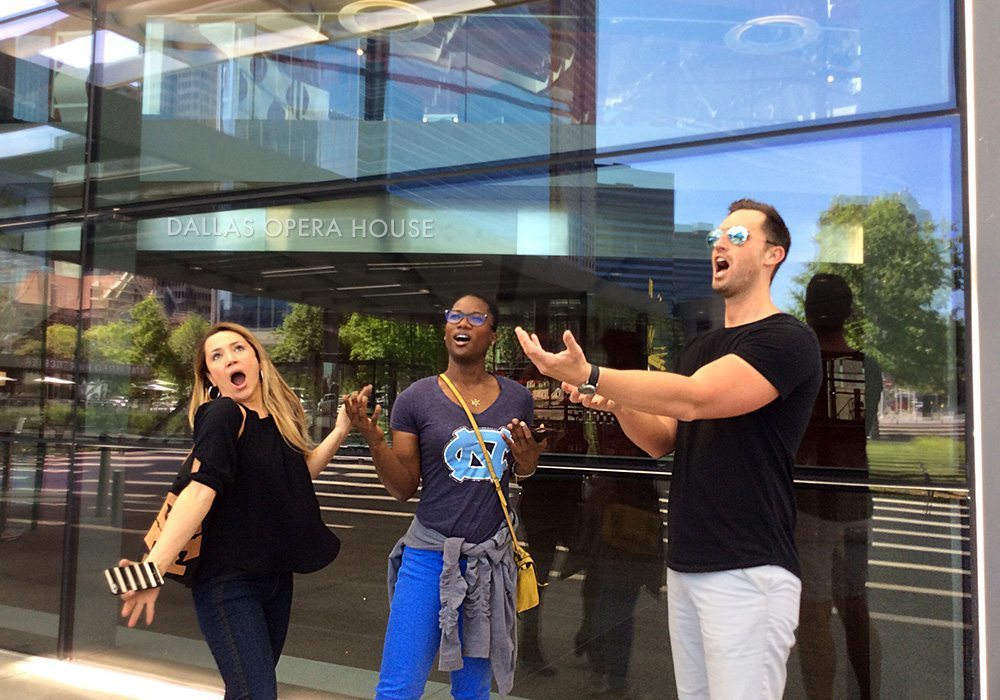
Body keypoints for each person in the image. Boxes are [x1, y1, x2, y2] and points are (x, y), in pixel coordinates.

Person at [515, 199, 822, 699]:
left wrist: (590, 373)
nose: (719, 244)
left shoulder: (786, 340)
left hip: (749, 568)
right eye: (715, 238)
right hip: (687, 564)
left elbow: (697, 399)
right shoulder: (701, 350)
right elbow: (661, 439)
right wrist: (611, 400)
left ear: (774, 255)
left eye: (738, 237)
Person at [117, 321, 348, 700]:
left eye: (238, 349)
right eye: (217, 356)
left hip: (275, 579)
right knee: (256, 694)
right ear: (211, 376)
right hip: (228, 583)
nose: (230, 359)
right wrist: (151, 571)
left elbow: (298, 475)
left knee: (248, 691)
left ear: (257, 359)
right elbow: (198, 493)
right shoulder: (222, 414)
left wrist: (340, 430)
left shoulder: (277, 420)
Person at [344, 293, 547, 699]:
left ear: (493, 335)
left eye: (476, 317)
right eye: (455, 316)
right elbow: (402, 488)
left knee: (473, 692)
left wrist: (528, 460)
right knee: (398, 688)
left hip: (488, 563)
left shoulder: (517, 398)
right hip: (427, 557)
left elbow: (522, 469)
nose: (464, 324)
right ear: (445, 329)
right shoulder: (416, 398)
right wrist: (374, 441)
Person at [795, 272, 881, 699]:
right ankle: (868, 693)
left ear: (806, 311)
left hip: (809, 507)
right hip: (856, 506)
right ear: (849, 311)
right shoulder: (869, 368)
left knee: (812, 616)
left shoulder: (801, 367)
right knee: (855, 608)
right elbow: (863, 428)